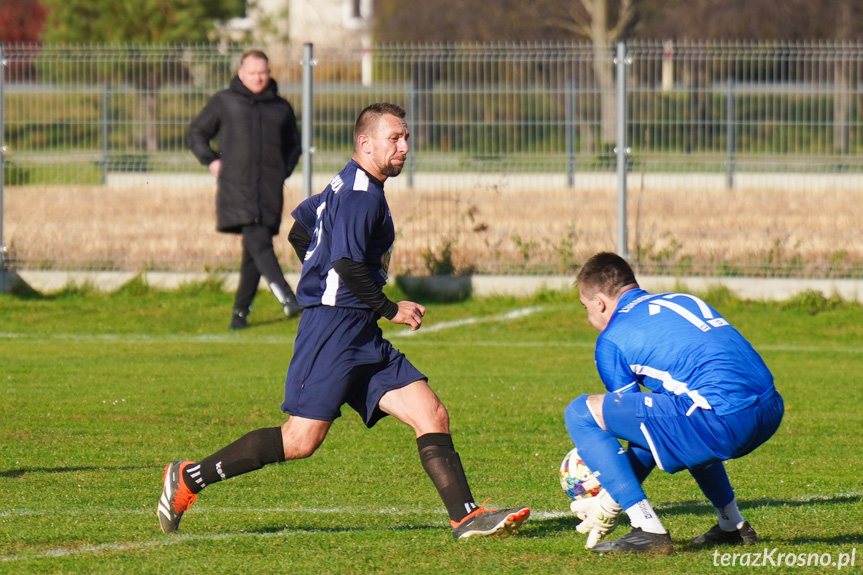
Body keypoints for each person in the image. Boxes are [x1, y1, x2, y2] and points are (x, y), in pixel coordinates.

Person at [158, 102, 530, 539]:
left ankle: (466, 517)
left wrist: (321, 276)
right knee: (299, 441)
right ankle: (187, 478)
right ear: (365, 142)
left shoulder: (346, 182)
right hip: (333, 331)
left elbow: (301, 230)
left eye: (406, 137)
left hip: (360, 331)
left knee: (431, 412)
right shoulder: (360, 194)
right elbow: (348, 264)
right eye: (395, 139)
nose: (404, 147)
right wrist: (390, 308)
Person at [565, 252, 783, 554]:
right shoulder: (683, 299)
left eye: (585, 306)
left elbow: (641, 433)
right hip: (770, 408)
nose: (588, 315)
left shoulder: (612, 340)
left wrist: (612, 498)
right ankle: (732, 524)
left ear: (599, 302)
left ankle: (647, 529)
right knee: (682, 411)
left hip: (724, 421)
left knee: (580, 412)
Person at [188, 49, 302, 330]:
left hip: (270, 190)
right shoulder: (225, 102)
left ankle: (239, 315)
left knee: (254, 249)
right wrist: (211, 160)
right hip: (236, 188)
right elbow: (196, 133)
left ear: (269, 73)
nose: (258, 78)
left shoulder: (281, 108)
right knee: (258, 240)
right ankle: (288, 296)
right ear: (241, 74)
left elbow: (294, 147)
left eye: (262, 72)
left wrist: (280, 173)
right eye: (252, 73)